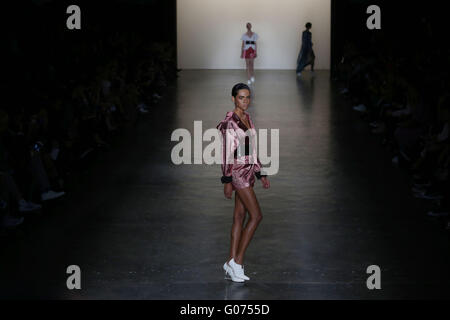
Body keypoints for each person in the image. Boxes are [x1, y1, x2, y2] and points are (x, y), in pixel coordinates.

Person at [216, 83, 270, 282]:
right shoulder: (230, 122)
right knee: (256, 216)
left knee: (239, 216)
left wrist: (260, 172)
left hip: (248, 172)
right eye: (241, 97)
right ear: (233, 99)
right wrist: (227, 180)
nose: (245, 101)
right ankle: (237, 262)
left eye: (247, 97)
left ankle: (230, 262)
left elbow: (252, 149)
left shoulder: (248, 118)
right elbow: (226, 153)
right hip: (237, 172)